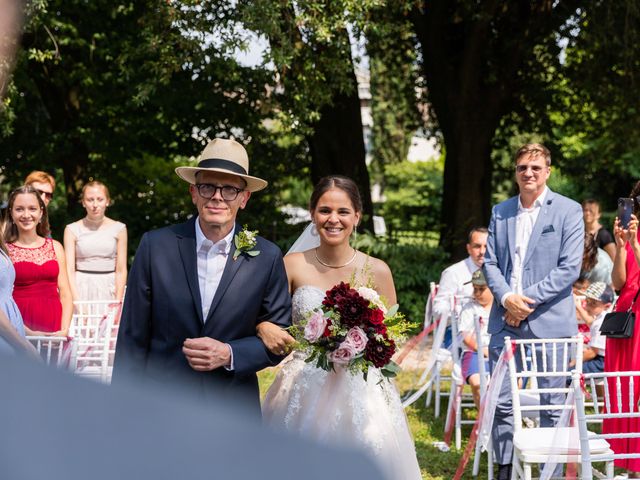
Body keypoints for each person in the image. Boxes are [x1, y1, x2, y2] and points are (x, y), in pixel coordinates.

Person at [258, 175, 422, 480]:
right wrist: (262, 326)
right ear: (312, 214)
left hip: (362, 391)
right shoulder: (291, 265)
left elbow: (391, 339)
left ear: (357, 216)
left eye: (343, 211)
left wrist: (363, 345)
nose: (333, 219)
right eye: (324, 210)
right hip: (304, 385)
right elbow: (268, 317)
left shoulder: (378, 270)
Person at [112, 138, 291, 413]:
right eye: (208, 187)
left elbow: (280, 340)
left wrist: (230, 354)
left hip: (232, 410)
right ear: (193, 193)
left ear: (244, 198)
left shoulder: (266, 257)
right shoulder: (155, 246)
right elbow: (132, 337)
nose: (217, 197)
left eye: (230, 189)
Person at [483, 143, 584, 480]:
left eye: (535, 168)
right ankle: (505, 466)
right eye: (523, 167)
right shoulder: (501, 210)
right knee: (500, 401)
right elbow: (490, 262)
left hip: (549, 322)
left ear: (548, 171)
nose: (529, 173)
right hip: (504, 321)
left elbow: (569, 269)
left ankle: (550, 473)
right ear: (515, 172)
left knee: (553, 402)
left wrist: (522, 303)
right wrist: (506, 298)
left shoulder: (568, 211)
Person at [604, 180, 640, 478]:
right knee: (623, 391)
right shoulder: (629, 235)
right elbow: (618, 283)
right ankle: (627, 463)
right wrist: (621, 247)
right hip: (626, 321)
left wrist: (636, 245)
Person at [3, 186, 73, 337]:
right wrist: (25, 331)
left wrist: (64, 330)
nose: (26, 214)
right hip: (20, 327)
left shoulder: (56, 247)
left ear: (41, 212)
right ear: (11, 213)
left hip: (55, 326)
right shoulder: (5, 252)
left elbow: (66, 293)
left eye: (32, 208)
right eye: (19, 209)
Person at [64, 181, 127, 302]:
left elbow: (121, 269)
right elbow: (69, 269)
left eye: (100, 199)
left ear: (107, 201)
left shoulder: (120, 229)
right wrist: (77, 301)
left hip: (110, 288)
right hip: (80, 288)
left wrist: (117, 301)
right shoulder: (71, 229)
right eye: (90, 199)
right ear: (83, 202)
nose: (95, 204)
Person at [458, 269, 492, 408]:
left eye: (482, 289)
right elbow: (465, 336)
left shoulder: (500, 308)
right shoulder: (469, 308)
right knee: (477, 383)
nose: (477, 293)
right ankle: (483, 418)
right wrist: (483, 349)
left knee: (511, 383)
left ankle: (503, 417)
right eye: (475, 289)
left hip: (498, 351)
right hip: (473, 352)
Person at [574, 281, 612, 374]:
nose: (587, 306)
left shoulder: (600, 322)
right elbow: (590, 322)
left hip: (601, 362)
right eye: (587, 302)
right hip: (604, 359)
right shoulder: (603, 317)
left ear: (606, 306)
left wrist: (573, 363)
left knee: (570, 374)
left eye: (593, 303)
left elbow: (592, 352)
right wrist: (578, 306)